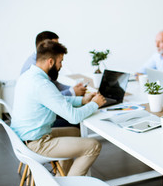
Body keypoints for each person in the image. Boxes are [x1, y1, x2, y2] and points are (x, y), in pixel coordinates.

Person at [11, 40, 107, 176]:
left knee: (74, 133)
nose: (61, 66)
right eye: (60, 62)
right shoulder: (42, 84)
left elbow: (55, 99)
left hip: (25, 139)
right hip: (37, 144)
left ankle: (61, 177)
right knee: (94, 145)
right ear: (50, 62)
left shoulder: (28, 76)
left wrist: (82, 100)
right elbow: (73, 117)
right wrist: (95, 104)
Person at [21, 31, 86, 97]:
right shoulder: (32, 69)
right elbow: (49, 97)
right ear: (45, 45)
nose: (58, 48)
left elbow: (54, 84)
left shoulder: (41, 63)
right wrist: (72, 92)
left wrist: (72, 89)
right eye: (55, 45)